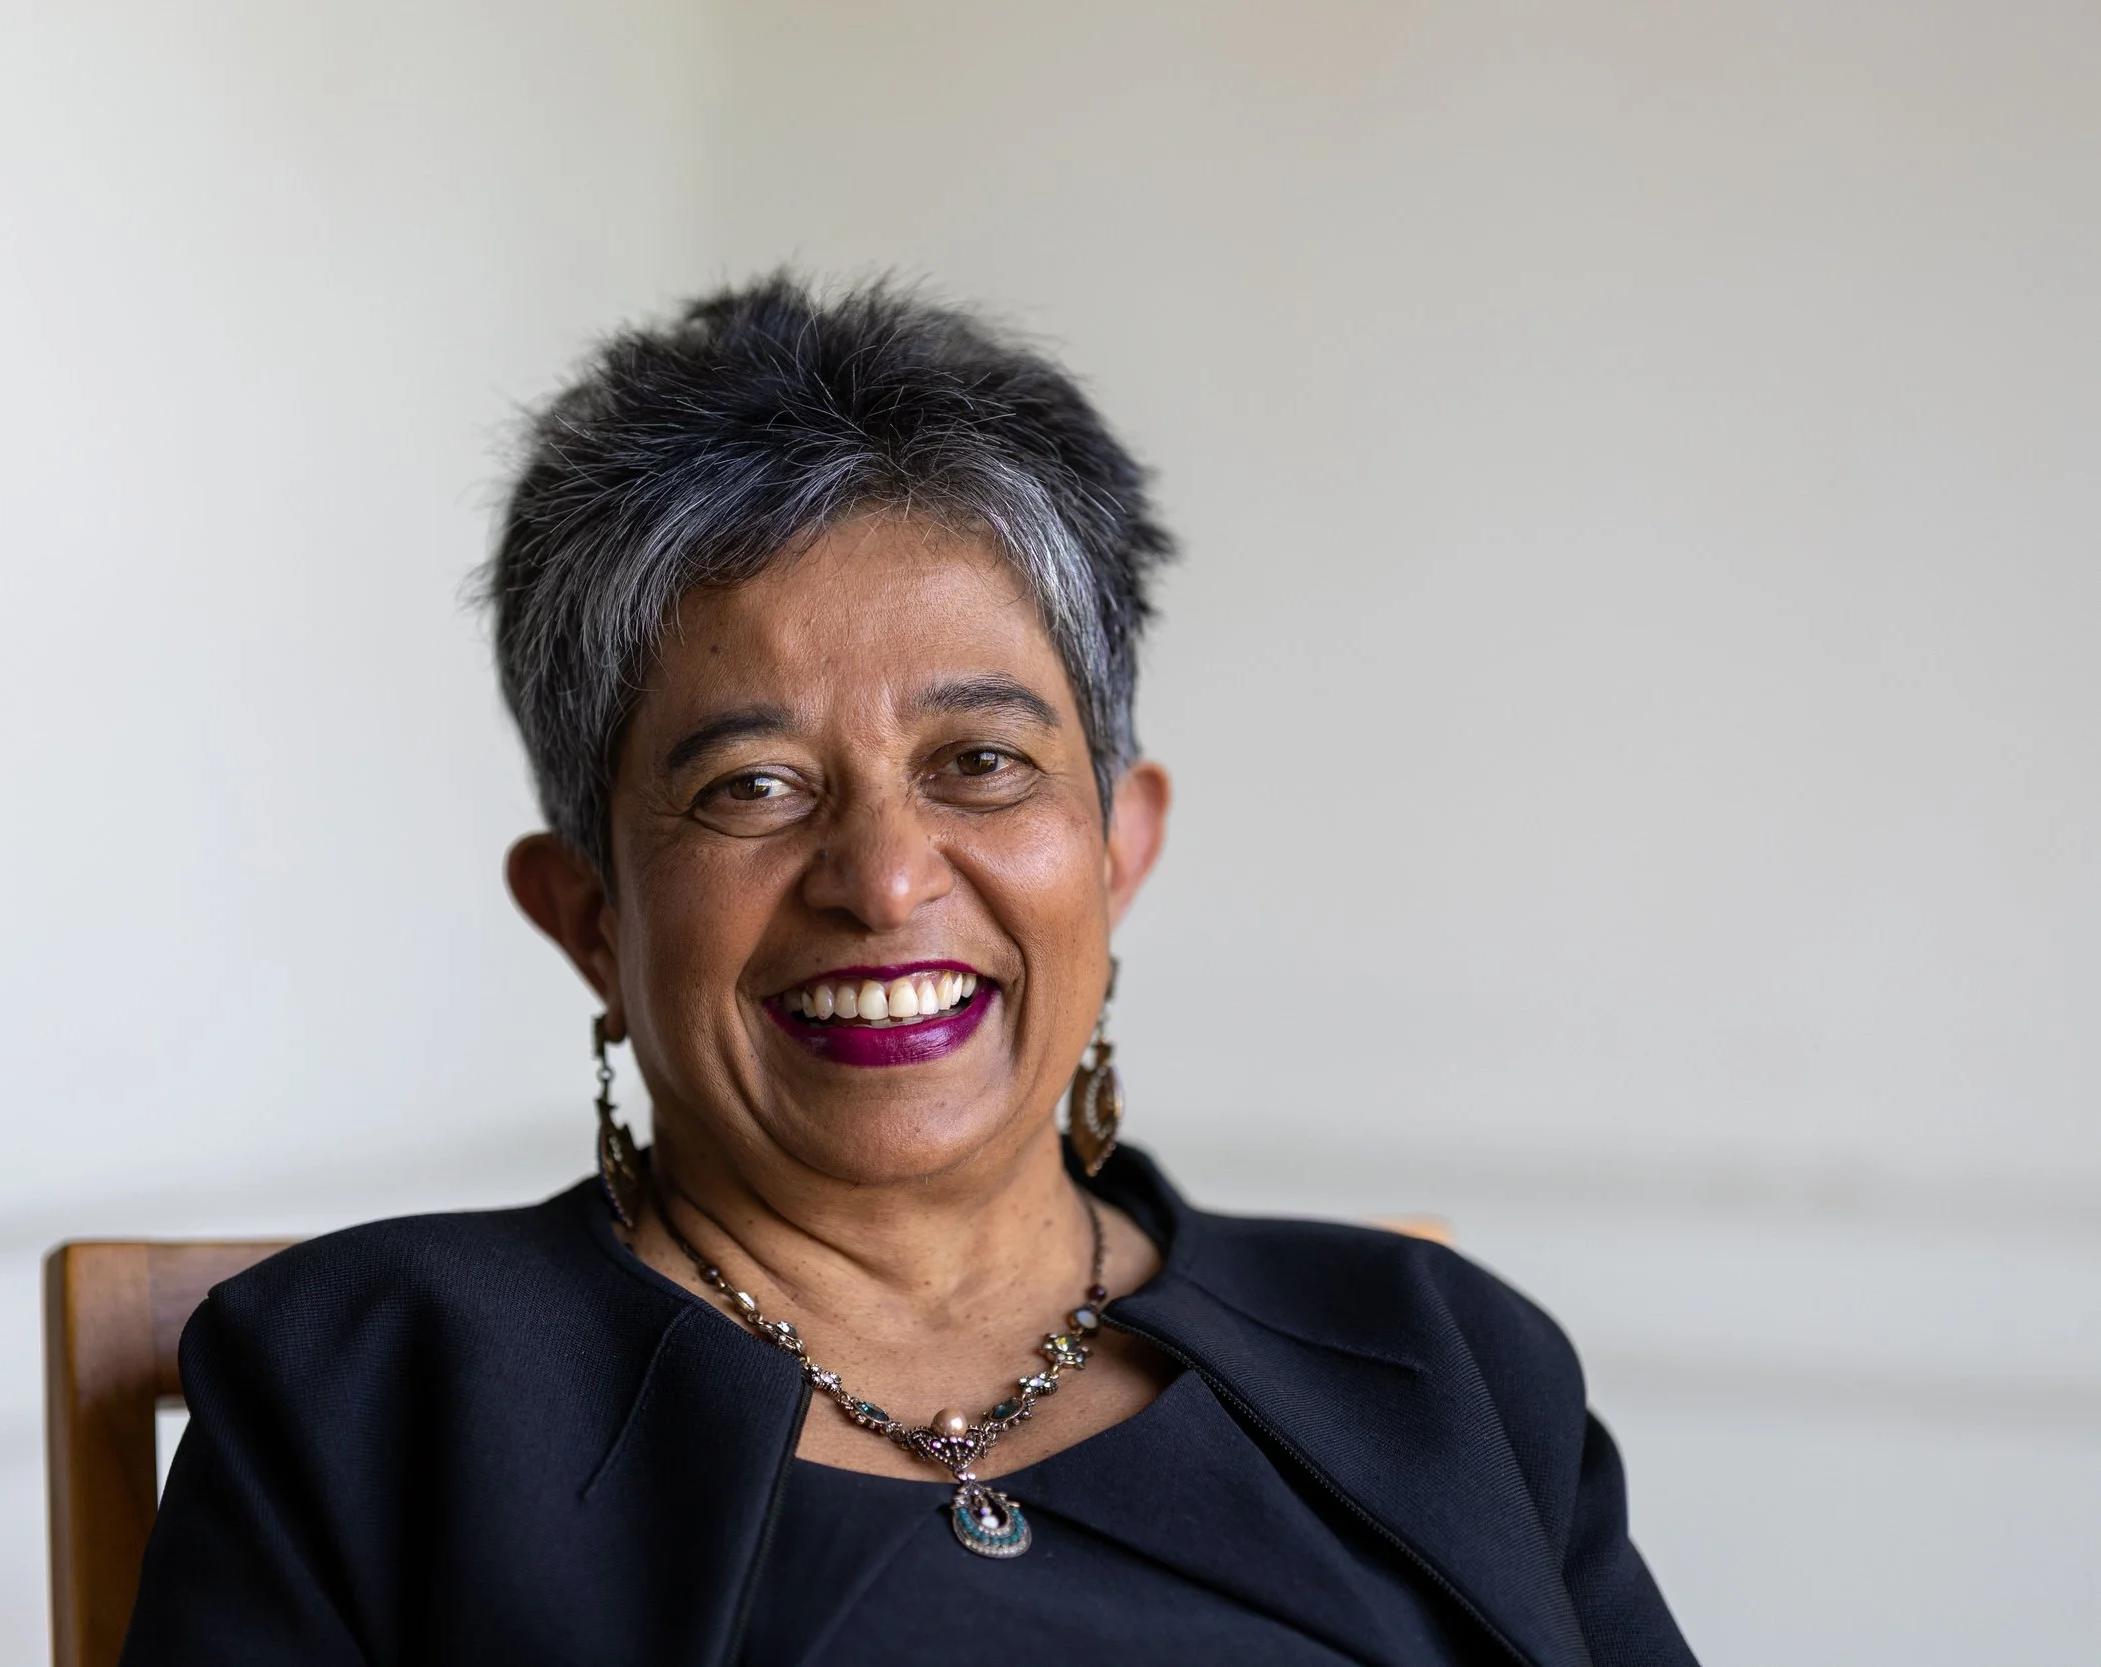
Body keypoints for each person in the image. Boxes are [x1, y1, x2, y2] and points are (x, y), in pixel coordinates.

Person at [120, 275, 1697, 1666]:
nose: (883, 877)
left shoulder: (1450, 1360)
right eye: (752, 784)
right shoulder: (368, 1389)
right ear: (589, 913)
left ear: (1115, 847)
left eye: (983, 763)